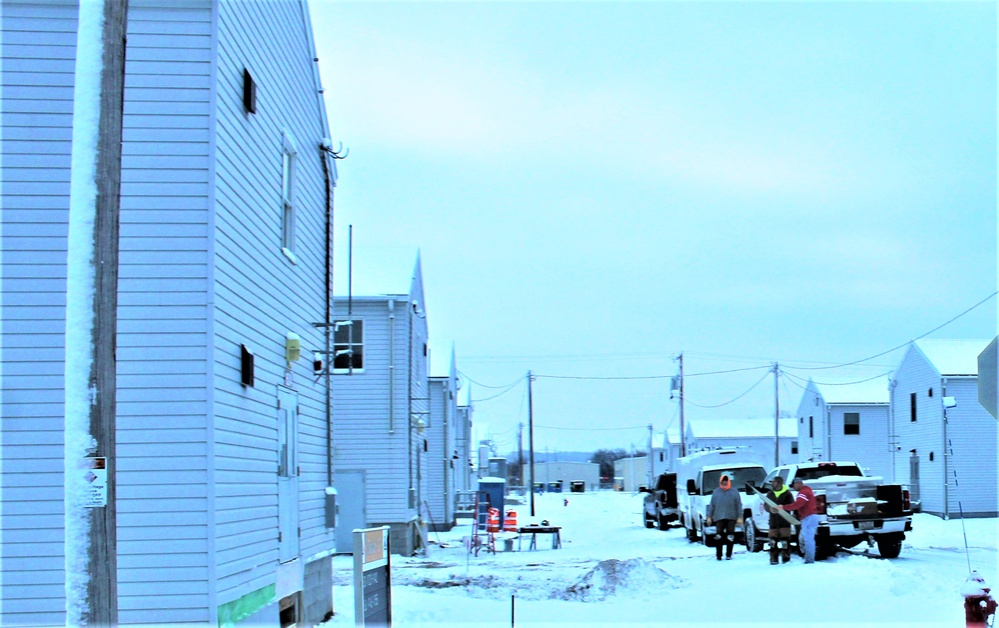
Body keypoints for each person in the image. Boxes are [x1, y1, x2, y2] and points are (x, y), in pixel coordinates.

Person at [778, 477, 818, 563]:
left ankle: (809, 560)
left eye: (793, 486)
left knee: (808, 539)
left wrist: (783, 507)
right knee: (804, 538)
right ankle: (807, 557)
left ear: (798, 483)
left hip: (808, 518)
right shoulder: (808, 490)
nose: (794, 488)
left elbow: (798, 504)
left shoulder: (803, 492)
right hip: (810, 517)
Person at [705, 474, 743, 561]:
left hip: (731, 517)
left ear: (729, 482)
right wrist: (709, 517)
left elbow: (739, 505)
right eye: (723, 482)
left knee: (730, 536)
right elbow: (712, 506)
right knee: (719, 537)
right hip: (719, 518)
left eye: (726, 482)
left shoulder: (734, 492)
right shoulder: (716, 492)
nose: (725, 484)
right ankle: (719, 555)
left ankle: (729, 554)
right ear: (721, 482)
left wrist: (740, 517)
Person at [765, 476, 795, 565]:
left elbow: (792, 505)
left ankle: (786, 559)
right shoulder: (770, 494)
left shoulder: (787, 494)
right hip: (773, 522)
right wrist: (770, 509)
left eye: (773, 482)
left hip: (784, 522)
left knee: (785, 542)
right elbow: (766, 505)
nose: (772, 484)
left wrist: (783, 509)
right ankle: (773, 559)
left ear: (778, 483)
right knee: (772, 542)